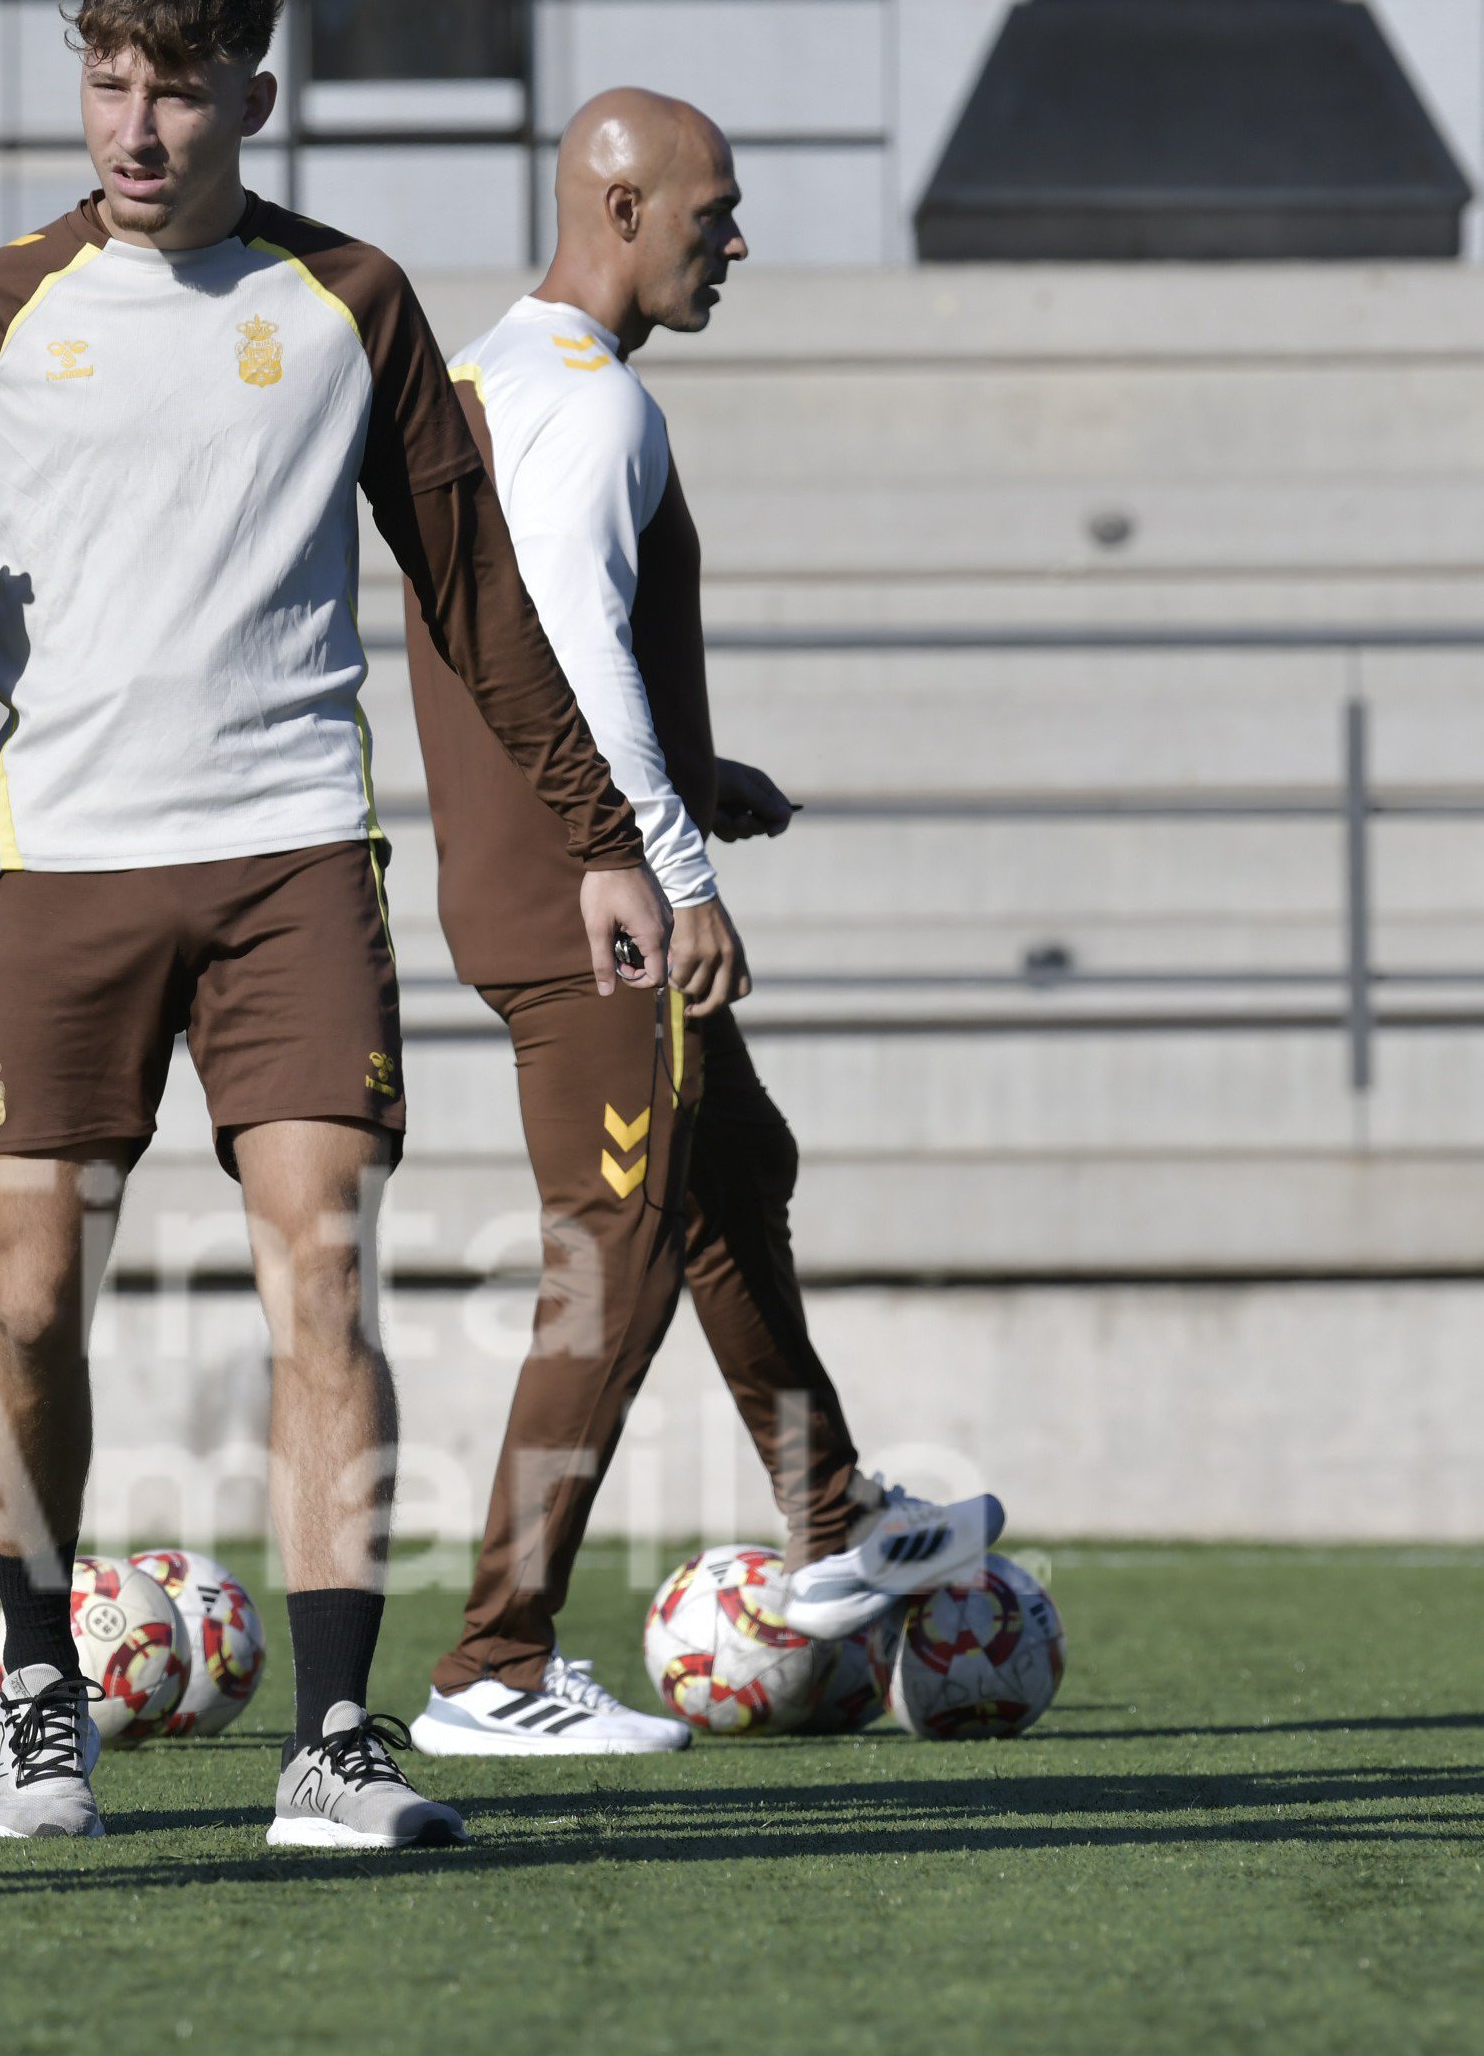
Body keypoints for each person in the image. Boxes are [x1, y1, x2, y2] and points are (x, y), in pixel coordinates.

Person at [0, 0, 665, 1851]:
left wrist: (605, 839)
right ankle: (41, 1694)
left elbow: (478, 603)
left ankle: (337, 1740)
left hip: (288, 853)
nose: (136, 122)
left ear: (250, 100)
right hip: (65, 872)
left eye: (176, 86)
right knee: (33, 1297)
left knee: (323, 1274)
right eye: (108, 81)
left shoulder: (348, 300)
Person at [396, 90, 1001, 1760]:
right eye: (710, 212)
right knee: (616, 1252)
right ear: (616, 203)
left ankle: (831, 1519)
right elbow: (575, 647)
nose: (734, 241)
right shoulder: (586, 406)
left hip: (522, 868)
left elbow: (509, 646)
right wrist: (671, 868)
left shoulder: (486, 375)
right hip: (582, 903)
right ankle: (490, 1665)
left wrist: (691, 767)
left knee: (735, 1171)